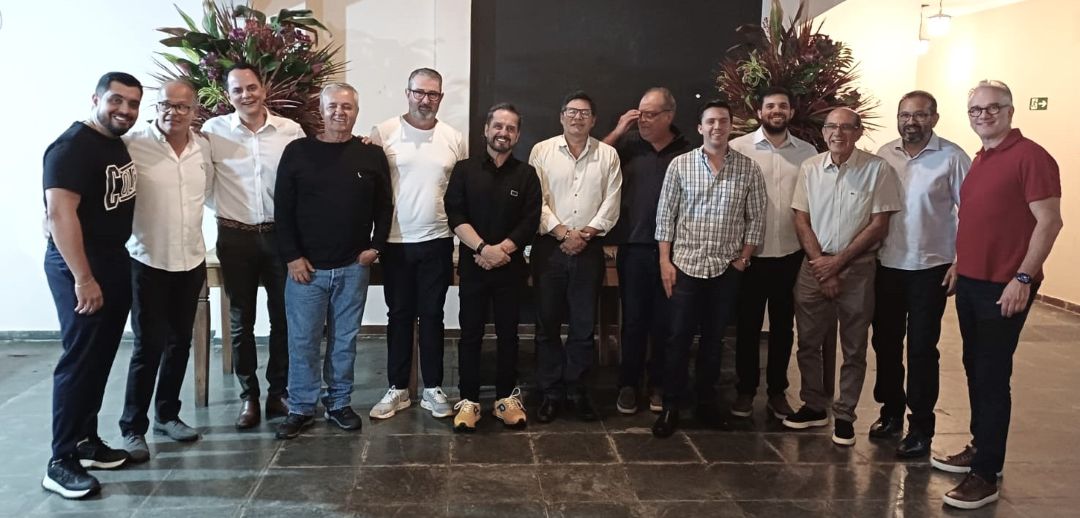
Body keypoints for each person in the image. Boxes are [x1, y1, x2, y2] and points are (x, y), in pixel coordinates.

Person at [935, 80, 1062, 510]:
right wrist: (960, 262)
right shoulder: (982, 158)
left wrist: (1023, 278)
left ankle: (985, 474)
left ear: (1010, 111)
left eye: (993, 108)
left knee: (991, 376)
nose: (984, 115)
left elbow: (1049, 222)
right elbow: (980, 220)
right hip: (972, 281)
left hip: (1005, 286)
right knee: (975, 368)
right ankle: (981, 447)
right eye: (976, 110)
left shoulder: (1031, 157)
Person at [41, 71, 142, 499]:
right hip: (80, 265)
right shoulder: (71, 147)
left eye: (133, 104)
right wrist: (83, 278)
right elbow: (59, 214)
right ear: (96, 98)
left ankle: (85, 441)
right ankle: (60, 461)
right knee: (80, 360)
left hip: (112, 258)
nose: (124, 110)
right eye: (116, 100)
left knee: (99, 358)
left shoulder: (113, 142)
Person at [273, 83, 393, 440]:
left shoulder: (370, 155)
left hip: (353, 267)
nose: (340, 112)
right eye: (333, 106)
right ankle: (301, 407)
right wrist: (292, 257)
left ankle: (339, 403)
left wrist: (376, 247)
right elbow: (283, 210)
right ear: (321, 110)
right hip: (306, 270)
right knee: (303, 342)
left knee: (345, 341)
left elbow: (384, 205)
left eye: (347, 106)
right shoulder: (297, 152)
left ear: (357, 111)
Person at [782, 107, 902, 448]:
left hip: (857, 269)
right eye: (832, 127)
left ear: (858, 132)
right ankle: (813, 405)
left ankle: (845, 415)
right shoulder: (810, 168)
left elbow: (879, 224)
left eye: (846, 127)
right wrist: (821, 263)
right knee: (807, 342)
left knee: (854, 346)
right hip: (814, 267)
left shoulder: (877, 169)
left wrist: (837, 264)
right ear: (823, 132)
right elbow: (801, 218)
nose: (838, 133)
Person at [651, 99, 767, 438]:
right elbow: (665, 216)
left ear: (731, 126)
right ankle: (672, 405)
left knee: (715, 341)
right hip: (685, 266)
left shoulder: (748, 169)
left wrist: (743, 260)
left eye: (723, 121)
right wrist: (665, 261)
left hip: (725, 270)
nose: (717, 126)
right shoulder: (680, 165)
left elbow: (756, 218)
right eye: (711, 121)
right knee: (678, 338)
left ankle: (706, 403)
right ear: (700, 127)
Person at [202, 64, 305, 429]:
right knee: (240, 321)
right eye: (237, 90)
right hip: (235, 237)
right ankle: (249, 396)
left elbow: (300, 184)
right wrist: (230, 211)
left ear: (263, 88)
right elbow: (205, 185)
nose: (246, 95)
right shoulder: (213, 132)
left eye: (251, 87)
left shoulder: (290, 131)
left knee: (283, 318)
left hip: (280, 236)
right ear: (227, 95)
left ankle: (278, 391)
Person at [869, 90, 970, 458]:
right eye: (905, 115)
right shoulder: (885, 154)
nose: (911, 121)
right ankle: (891, 412)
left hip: (931, 268)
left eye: (920, 115)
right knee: (885, 343)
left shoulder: (952, 157)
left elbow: (971, 211)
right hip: (888, 264)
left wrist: (961, 261)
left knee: (922, 348)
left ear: (934, 118)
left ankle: (922, 427)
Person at [119, 80, 213, 462]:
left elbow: (208, 194)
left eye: (181, 106)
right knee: (147, 346)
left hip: (190, 259)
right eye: (165, 105)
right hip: (148, 260)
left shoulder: (203, 148)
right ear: (155, 107)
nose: (173, 112)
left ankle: (167, 415)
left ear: (194, 110)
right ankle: (132, 427)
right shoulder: (132, 144)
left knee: (180, 342)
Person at [369, 68, 466, 420]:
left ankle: (432, 388)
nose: (425, 99)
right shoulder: (383, 133)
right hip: (395, 241)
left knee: (433, 315)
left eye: (433, 94)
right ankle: (398, 388)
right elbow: (370, 188)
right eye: (419, 92)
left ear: (441, 97)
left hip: (437, 240)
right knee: (398, 315)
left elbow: (460, 191)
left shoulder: (454, 138)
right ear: (407, 93)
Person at [444, 103, 541, 432]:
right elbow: (455, 214)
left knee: (509, 335)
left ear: (518, 135)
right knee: (470, 334)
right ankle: (469, 400)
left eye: (511, 128)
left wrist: (502, 251)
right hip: (474, 265)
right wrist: (484, 249)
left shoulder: (526, 175)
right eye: (498, 126)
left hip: (510, 268)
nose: (503, 132)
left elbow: (530, 220)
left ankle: (505, 399)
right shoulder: (464, 170)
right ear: (486, 130)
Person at [529, 90, 622, 424]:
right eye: (571, 111)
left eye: (584, 113)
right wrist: (562, 233)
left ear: (593, 120)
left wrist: (585, 234)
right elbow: (535, 200)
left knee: (583, 326)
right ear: (561, 116)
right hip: (549, 248)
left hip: (589, 248)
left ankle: (578, 391)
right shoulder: (541, 151)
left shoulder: (608, 155)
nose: (577, 117)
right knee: (547, 325)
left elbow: (612, 202)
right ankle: (550, 393)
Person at [728, 86, 818, 420]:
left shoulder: (807, 152)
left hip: (791, 253)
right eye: (770, 106)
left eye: (782, 105)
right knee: (748, 327)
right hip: (749, 254)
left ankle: (778, 392)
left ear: (791, 112)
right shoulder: (738, 148)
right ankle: (745, 390)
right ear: (759, 112)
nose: (776, 110)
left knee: (783, 327)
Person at [602, 87, 692, 415]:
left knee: (666, 323)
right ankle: (628, 383)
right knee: (634, 320)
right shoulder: (627, 147)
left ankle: (659, 384)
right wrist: (619, 129)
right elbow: (593, 158)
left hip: (676, 251)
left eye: (651, 114)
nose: (643, 120)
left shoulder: (687, 153)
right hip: (634, 246)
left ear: (669, 116)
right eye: (640, 113)